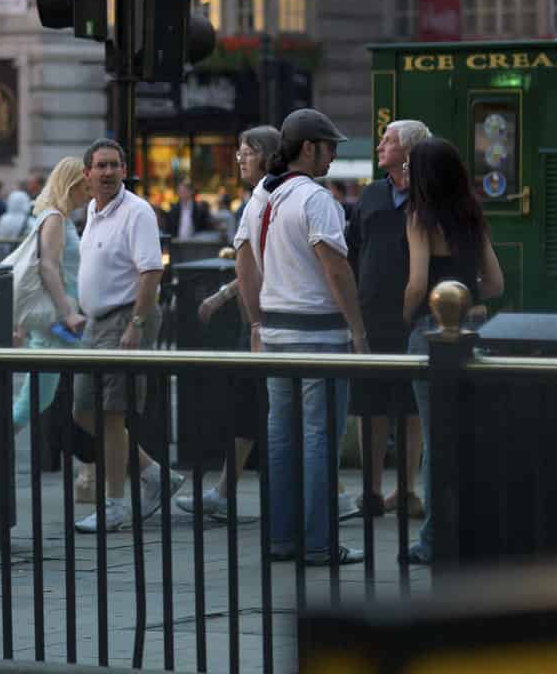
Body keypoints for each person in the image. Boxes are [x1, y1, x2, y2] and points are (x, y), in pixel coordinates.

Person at [240, 108, 367, 567]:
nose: (334, 155)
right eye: (330, 147)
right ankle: (318, 543)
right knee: (319, 440)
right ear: (309, 148)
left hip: (276, 332)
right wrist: (358, 330)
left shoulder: (261, 199)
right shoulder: (316, 199)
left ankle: (281, 538)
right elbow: (335, 267)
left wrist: (256, 321)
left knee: (281, 439)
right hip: (320, 335)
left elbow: (243, 263)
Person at [399, 136, 505, 563]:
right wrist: (469, 297)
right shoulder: (471, 216)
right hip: (474, 330)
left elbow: (417, 283)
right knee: (471, 436)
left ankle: (434, 540)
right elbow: (496, 283)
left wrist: (406, 315)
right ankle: (477, 532)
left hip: (430, 332)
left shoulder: (419, 217)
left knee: (436, 439)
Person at [70, 139, 177, 534]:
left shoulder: (137, 212)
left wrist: (137, 322)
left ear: (124, 169)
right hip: (96, 323)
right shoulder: (93, 212)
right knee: (83, 409)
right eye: (100, 166)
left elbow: (151, 271)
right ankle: (153, 475)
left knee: (111, 414)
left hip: (123, 319)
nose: (108, 172)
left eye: (114, 165)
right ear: (87, 173)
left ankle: (115, 505)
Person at [177, 125, 282, 524]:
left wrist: (252, 320)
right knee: (249, 409)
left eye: (247, 151)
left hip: (266, 322)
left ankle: (326, 496)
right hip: (253, 322)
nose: (239, 157)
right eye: (238, 150)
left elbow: (265, 262)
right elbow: (250, 264)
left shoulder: (271, 198)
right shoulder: (253, 200)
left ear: (269, 155)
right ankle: (224, 491)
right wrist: (225, 297)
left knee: (272, 409)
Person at [346, 118, 431, 520]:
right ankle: (372, 490)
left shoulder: (429, 197)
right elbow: (352, 249)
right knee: (369, 405)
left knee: (411, 406)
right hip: (371, 313)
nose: (380, 145)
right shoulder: (372, 195)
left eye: (388, 140)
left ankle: (408, 490)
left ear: (410, 150)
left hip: (417, 314)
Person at [9, 156, 88, 462]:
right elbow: (48, 267)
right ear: (71, 185)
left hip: (59, 320)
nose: (90, 191)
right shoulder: (54, 218)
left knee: (37, 397)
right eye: (85, 185)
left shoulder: (58, 217)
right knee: (37, 398)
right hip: (59, 320)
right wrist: (67, 311)